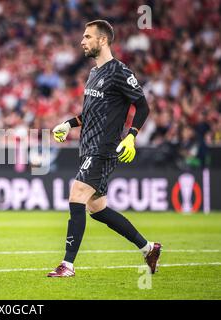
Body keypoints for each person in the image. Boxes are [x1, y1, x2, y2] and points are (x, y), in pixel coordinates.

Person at [49, 20, 161, 278]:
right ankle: (148, 248)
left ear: (102, 40)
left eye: (87, 37)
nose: (82, 41)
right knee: (97, 209)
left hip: (103, 148)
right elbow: (91, 114)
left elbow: (142, 107)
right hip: (87, 147)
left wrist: (131, 136)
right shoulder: (93, 74)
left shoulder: (120, 72)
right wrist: (68, 124)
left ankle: (67, 265)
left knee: (76, 195)